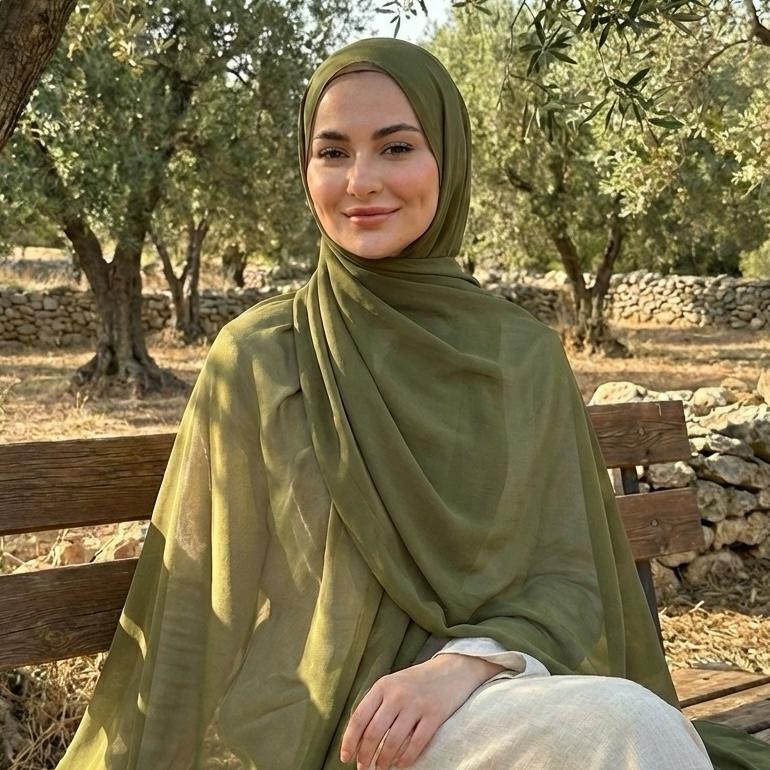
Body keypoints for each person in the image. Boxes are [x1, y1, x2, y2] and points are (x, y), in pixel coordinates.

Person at [55, 38, 770, 770]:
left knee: (629, 729)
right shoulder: (261, 356)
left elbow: (569, 580)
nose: (361, 181)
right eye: (332, 153)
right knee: (631, 732)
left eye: (395, 147)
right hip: (327, 727)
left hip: (492, 693)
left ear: (448, 161)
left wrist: (460, 667)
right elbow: (196, 601)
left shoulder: (520, 356)